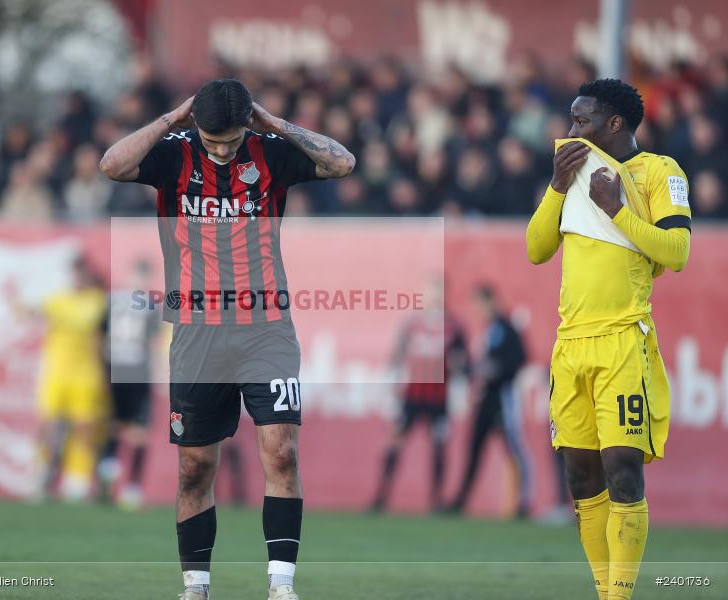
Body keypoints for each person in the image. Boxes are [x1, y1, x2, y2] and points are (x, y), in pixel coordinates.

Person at [100, 79, 355, 600]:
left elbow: (342, 163)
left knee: (281, 451)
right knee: (195, 465)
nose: (220, 151)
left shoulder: (272, 153)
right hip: (197, 333)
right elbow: (111, 165)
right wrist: (172, 119)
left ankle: (281, 585)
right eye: (211, 141)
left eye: (231, 141)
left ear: (247, 126)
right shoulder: (173, 155)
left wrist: (276, 124)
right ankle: (196, 586)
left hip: (267, 329)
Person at [526, 79, 691, 600]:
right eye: (572, 120)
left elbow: (677, 252)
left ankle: (618, 597)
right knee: (581, 478)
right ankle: (604, 591)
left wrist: (616, 209)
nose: (573, 130)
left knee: (623, 471)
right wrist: (556, 185)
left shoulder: (659, 172)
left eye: (583, 121)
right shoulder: (573, 175)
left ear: (614, 123)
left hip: (623, 339)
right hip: (570, 344)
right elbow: (535, 250)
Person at [10, 254, 108, 502]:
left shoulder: (96, 301)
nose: (77, 278)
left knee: (86, 430)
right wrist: (14, 292)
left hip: (86, 375)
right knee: (49, 426)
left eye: (81, 273)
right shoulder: (58, 300)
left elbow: (93, 330)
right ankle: (41, 476)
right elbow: (25, 312)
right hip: (57, 373)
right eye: (74, 273)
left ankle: (82, 480)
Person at [370, 277, 468, 513]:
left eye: (439, 292)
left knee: (439, 445)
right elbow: (397, 355)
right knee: (395, 442)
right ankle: (381, 496)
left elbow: (463, 360)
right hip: (412, 395)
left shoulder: (454, 325)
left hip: (439, 398)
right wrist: (391, 388)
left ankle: (436, 500)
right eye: (431, 291)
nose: (434, 296)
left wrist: (459, 383)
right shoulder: (411, 323)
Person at [444, 285, 531, 517]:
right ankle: (460, 500)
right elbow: (484, 365)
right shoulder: (492, 329)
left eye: (480, 305)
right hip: (487, 399)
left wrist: (494, 370)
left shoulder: (506, 327)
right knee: (474, 448)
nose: (478, 311)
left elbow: (517, 358)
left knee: (514, 449)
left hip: (502, 397)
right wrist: (469, 369)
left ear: (491, 301)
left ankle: (523, 502)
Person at [97, 259, 162, 509]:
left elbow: (101, 336)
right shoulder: (148, 306)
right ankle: (129, 485)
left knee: (123, 426)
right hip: (133, 371)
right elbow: (150, 343)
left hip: (121, 369)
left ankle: (111, 467)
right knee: (133, 430)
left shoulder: (112, 300)